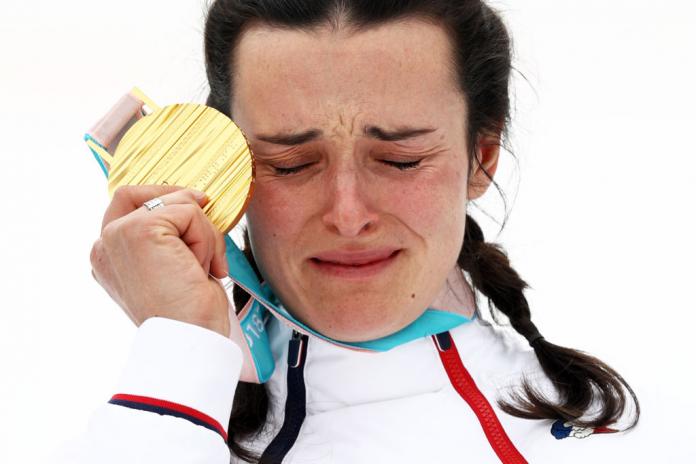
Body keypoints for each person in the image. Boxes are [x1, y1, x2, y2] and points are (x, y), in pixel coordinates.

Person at [56, 1, 641, 462]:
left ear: (482, 158)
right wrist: (180, 352)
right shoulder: (150, 425)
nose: (348, 214)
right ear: (225, 171)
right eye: (289, 164)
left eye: (401, 159)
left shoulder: (637, 444)